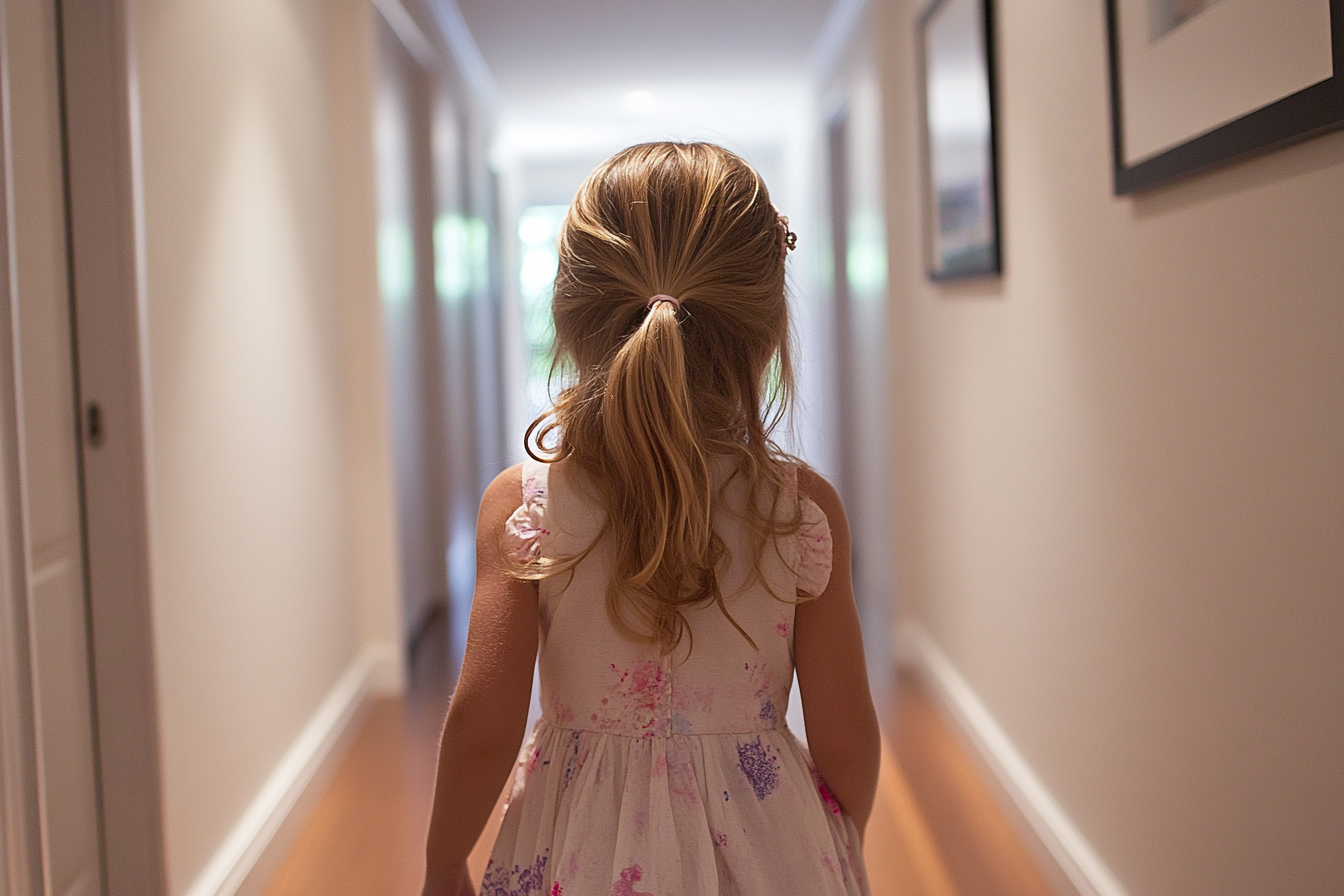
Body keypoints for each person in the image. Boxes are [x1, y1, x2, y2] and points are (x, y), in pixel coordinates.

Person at [421, 142, 880, 896]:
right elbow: (847, 732)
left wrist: (443, 864)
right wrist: (839, 840)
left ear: (572, 321)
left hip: (578, 844)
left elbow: (481, 721)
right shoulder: (798, 510)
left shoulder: (528, 503)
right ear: (765, 334)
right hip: (768, 842)